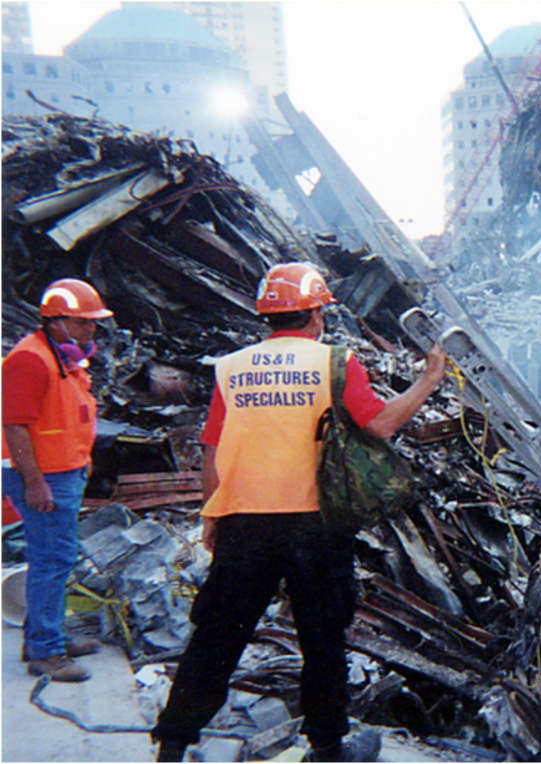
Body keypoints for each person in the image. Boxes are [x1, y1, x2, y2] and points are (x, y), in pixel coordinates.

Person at [152, 263, 447, 764]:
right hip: (315, 524)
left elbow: (211, 450)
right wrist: (429, 379)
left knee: (216, 637)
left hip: (243, 523)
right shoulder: (335, 362)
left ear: (269, 316)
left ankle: (173, 746)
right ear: (314, 315)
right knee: (322, 637)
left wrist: (211, 516)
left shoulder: (232, 367)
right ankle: (328, 749)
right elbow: (381, 425)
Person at [0, 278, 111, 682]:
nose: (91, 330)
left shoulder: (61, 358)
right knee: (52, 559)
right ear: (56, 320)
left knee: (55, 557)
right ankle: (46, 651)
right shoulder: (29, 360)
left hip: (64, 471)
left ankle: (47, 637)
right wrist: (34, 482)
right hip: (43, 477)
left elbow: (69, 416)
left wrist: (83, 460)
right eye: (83, 323)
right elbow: (14, 426)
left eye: (93, 322)